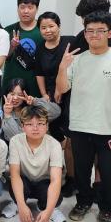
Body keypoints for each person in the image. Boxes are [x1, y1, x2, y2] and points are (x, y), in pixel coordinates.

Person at [56, 11, 111, 222]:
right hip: (80, 125)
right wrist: (63, 67)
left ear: (110, 33)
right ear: (84, 34)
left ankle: (107, 209)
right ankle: (83, 202)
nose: (94, 35)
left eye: (100, 31)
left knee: (110, 172)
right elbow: (62, 89)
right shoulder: (77, 60)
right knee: (82, 170)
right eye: (89, 31)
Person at [32, 11, 75, 195]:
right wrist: (44, 95)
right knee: (55, 134)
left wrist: (59, 89)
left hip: (72, 94)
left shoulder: (70, 42)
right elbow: (39, 73)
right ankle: (60, 171)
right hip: (51, 96)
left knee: (71, 137)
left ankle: (73, 179)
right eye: (43, 27)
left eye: (51, 26)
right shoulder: (41, 47)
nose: (47, 30)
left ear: (58, 26)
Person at [9, 106, 66, 222]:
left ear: (47, 126)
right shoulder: (15, 141)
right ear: (22, 126)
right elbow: (14, 175)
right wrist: (21, 205)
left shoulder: (54, 144)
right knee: (14, 187)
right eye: (29, 124)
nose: (35, 128)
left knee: (57, 196)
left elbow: (56, 180)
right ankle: (17, 204)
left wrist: (48, 211)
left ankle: (46, 208)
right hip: (25, 181)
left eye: (40, 123)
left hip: (44, 182)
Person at [2, 0, 43, 97]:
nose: (25, 11)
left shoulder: (43, 30)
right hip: (11, 81)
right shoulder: (7, 30)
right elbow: (2, 58)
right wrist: (12, 47)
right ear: (17, 9)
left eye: (30, 7)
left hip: (35, 82)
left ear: (37, 9)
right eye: (22, 7)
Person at [1, 78, 61, 142]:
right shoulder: (1, 113)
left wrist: (34, 101)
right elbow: (17, 138)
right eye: (12, 94)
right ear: (6, 94)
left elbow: (56, 112)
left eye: (20, 95)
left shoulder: (33, 107)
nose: (15, 98)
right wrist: (7, 114)